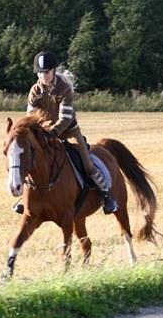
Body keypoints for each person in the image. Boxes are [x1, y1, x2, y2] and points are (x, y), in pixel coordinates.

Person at [26, 50, 118, 214]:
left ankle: (107, 196)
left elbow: (66, 118)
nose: (43, 76)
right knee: (31, 160)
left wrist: (53, 133)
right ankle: (26, 199)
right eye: (40, 73)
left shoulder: (64, 88)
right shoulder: (35, 91)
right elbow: (30, 117)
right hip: (45, 133)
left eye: (46, 72)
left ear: (53, 70)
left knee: (87, 164)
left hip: (68, 131)